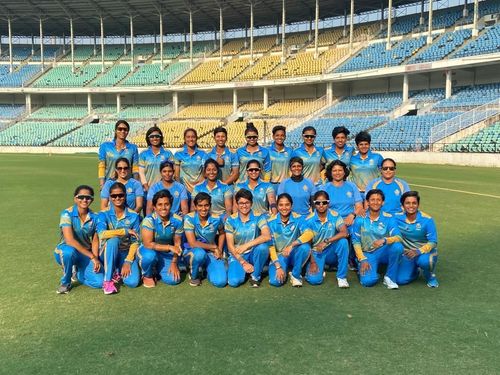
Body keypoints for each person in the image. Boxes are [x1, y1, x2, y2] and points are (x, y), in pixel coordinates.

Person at [54, 185, 103, 294]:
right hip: (65, 250)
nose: (84, 200)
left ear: (92, 199)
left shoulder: (95, 216)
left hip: (85, 253)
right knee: (68, 253)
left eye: (88, 197)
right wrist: (92, 256)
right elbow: (69, 240)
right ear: (75, 198)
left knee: (100, 283)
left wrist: (95, 259)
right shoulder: (67, 213)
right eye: (81, 197)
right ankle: (65, 282)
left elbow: (95, 240)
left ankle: (79, 273)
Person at [351, 189, 404, 289]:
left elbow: (399, 237)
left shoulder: (389, 218)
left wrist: (384, 240)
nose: (375, 202)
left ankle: (389, 277)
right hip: (367, 253)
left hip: (382, 251)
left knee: (397, 246)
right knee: (368, 282)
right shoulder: (359, 219)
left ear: (383, 202)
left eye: (378, 200)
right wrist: (362, 259)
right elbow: (355, 241)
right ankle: (368, 269)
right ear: (367, 202)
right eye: (372, 199)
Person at [96, 182, 141, 294]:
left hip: (125, 252)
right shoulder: (103, 214)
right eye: (114, 196)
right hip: (106, 252)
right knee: (113, 240)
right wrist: (124, 231)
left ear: (125, 196)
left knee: (133, 282)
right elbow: (101, 234)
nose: (117, 198)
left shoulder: (134, 216)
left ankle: (116, 270)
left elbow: (135, 241)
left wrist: (128, 260)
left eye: (120, 195)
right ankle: (107, 282)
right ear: (110, 197)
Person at [300, 190, 350, 287]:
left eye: (324, 202)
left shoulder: (335, 215)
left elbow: (344, 232)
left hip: (331, 250)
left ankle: (342, 277)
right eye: (318, 203)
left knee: (343, 242)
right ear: (314, 204)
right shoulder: (308, 220)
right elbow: (308, 244)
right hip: (316, 252)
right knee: (314, 281)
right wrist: (313, 262)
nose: (321, 205)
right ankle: (319, 267)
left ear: (328, 203)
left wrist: (326, 241)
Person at [225, 189, 271, 287]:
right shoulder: (230, 220)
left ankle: (255, 276)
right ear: (236, 204)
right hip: (237, 255)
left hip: (253, 252)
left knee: (263, 247)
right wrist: (243, 262)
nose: (244, 206)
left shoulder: (259, 217)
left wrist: (246, 245)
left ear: (251, 203)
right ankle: (243, 270)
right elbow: (230, 246)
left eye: (247, 202)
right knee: (234, 282)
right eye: (241, 203)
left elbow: (267, 236)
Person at [137, 189, 184, 287]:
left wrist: (174, 262)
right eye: (160, 204)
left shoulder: (178, 220)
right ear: (154, 207)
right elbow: (148, 244)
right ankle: (147, 275)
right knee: (150, 257)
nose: (163, 207)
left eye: (166, 204)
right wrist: (169, 247)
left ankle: (157, 269)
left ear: (171, 205)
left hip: (166, 253)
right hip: (148, 250)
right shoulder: (148, 220)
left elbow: (177, 244)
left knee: (174, 280)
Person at [395, 191, 439, 288]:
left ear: (418, 204)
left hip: (425, 252)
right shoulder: (397, 218)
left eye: (414, 203)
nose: (411, 206)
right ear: (402, 205)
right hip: (408, 254)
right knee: (401, 280)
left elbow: (433, 241)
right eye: (407, 203)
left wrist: (418, 251)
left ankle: (430, 276)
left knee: (425, 262)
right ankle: (416, 271)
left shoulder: (427, 220)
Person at [183, 192, 227, 287]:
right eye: (200, 206)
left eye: (206, 205)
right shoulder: (189, 218)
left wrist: (219, 249)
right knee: (199, 254)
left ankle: (206, 269)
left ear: (210, 206)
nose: (203, 209)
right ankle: (194, 274)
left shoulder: (216, 219)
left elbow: (222, 233)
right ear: (195, 206)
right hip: (192, 251)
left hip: (211, 253)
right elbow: (192, 243)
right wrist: (214, 247)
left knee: (220, 281)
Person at [267, 193, 311, 287]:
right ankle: (287, 269)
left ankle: (295, 275)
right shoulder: (270, 222)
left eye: (287, 204)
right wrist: (278, 266)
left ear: (291, 205)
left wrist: (292, 245)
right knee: (276, 282)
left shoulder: (299, 218)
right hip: (279, 256)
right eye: (281, 205)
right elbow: (270, 246)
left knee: (305, 247)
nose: (284, 208)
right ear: (277, 206)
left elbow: (309, 234)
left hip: (294, 253)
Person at [320, 160, 363, 226]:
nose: (337, 173)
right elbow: (321, 208)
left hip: (351, 220)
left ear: (344, 172)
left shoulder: (352, 186)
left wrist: (352, 215)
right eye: (334, 170)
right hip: (332, 221)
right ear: (330, 173)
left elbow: (359, 206)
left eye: (340, 170)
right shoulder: (324, 188)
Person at [98, 120, 139, 190]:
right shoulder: (105, 146)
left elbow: (135, 168)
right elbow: (102, 166)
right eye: (120, 129)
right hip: (110, 184)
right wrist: (102, 184)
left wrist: (136, 184)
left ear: (128, 132)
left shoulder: (133, 148)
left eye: (125, 129)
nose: (122, 131)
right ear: (115, 131)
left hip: (128, 185)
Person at [138, 126, 174, 200]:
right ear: (148, 138)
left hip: (164, 191)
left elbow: (172, 172)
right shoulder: (143, 154)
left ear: (161, 137)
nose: (155, 138)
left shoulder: (168, 153)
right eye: (152, 136)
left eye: (157, 136)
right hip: (147, 190)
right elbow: (141, 173)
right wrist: (147, 188)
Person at [174, 128, 208, 194]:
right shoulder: (178, 154)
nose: (191, 139)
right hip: (184, 189)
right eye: (188, 137)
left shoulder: (203, 153)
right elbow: (177, 174)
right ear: (184, 139)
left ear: (196, 138)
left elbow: (204, 173)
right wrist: (179, 188)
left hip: (199, 189)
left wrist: (201, 186)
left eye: (193, 137)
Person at [349, 131, 383, 197]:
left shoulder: (377, 157)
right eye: (361, 144)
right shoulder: (352, 159)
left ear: (369, 144)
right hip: (356, 194)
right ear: (357, 146)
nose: (364, 146)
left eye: (366, 144)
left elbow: (384, 173)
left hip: (373, 193)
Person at [267, 125, 293, 192]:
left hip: (286, 184)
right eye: (277, 135)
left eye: (282, 135)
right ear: (273, 136)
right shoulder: (267, 151)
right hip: (271, 184)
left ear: (285, 137)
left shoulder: (290, 151)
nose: (280, 137)